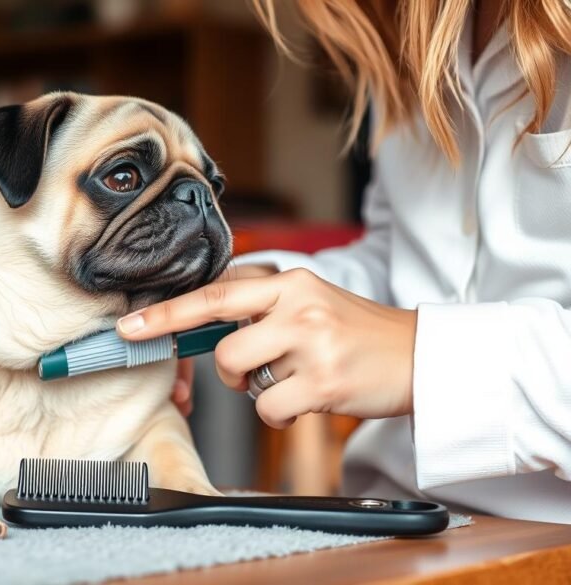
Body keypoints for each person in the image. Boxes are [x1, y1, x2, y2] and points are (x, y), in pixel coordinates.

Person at [125, 0, 571, 523]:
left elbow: (409, 330)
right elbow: (409, 260)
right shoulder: (404, 31)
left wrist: (420, 355)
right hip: (390, 516)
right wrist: (269, 292)